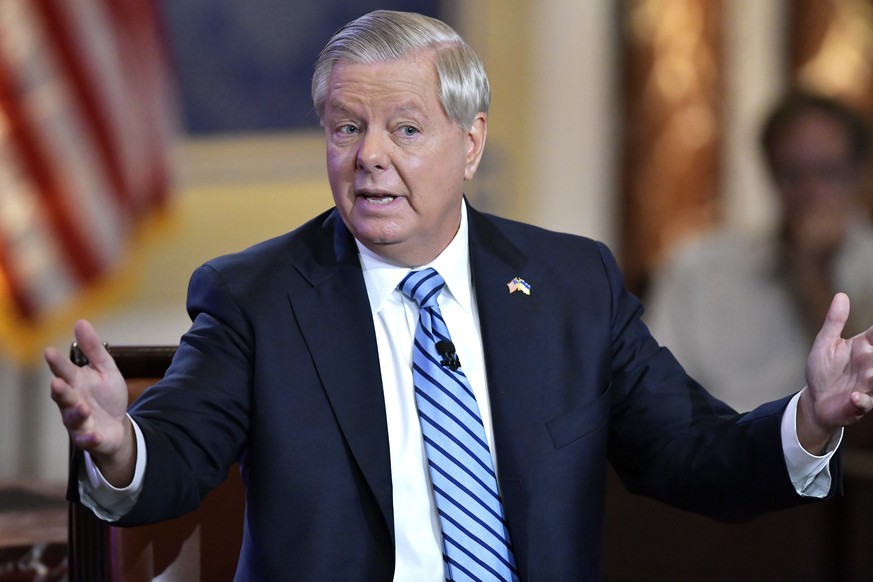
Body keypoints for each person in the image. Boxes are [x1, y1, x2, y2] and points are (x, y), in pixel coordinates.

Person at [44, 11, 873, 581]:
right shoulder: (254, 295)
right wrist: (119, 441)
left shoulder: (569, 286)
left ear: (468, 143)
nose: (369, 157)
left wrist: (807, 420)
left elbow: (693, 454)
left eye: (405, 129)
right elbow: (174, 457)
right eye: (344, 128)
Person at [646, 92, 873, 412]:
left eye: (828, 173)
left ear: (859, 173)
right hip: (713, 449)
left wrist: (813, 274)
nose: (811, 193)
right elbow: (653, 393)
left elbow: (860, 406)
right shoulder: (699, 267)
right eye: (792, 174)